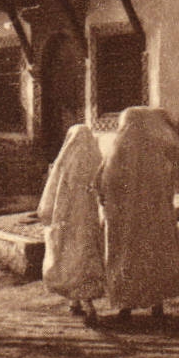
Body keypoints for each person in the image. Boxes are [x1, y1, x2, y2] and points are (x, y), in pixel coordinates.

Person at [97, 106, 179, 319]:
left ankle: (125, 305)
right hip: (154, 218)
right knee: (153, 255)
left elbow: (102, 182)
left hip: (125, 221)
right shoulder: (159, 152)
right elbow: (173, 181)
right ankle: (157, 304)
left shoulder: (116, 150)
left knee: (127, 257)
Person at [36, 124, 105, 322]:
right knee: (85, 258)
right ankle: (81, 303)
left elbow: (54, 191)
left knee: (70, 259)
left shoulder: (65, 161)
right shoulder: (95, 158)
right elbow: (102, 185)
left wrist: (50, 214)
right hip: (89, 218)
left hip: (68, 219)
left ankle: (83, 304)